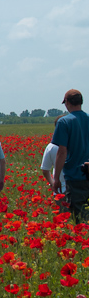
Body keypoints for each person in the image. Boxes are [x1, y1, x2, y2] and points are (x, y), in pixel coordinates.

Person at [51, 89, 89, 222]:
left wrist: (56, 178)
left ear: (66, 102)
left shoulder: (64, 122)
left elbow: (62, 152)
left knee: (79, 216)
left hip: (75, 175)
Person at [41, 116, 67, 195]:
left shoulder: (51, 147)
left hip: (59, 190)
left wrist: (53, 183)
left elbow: (45, 170)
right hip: (77, 188)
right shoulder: (77, 143)